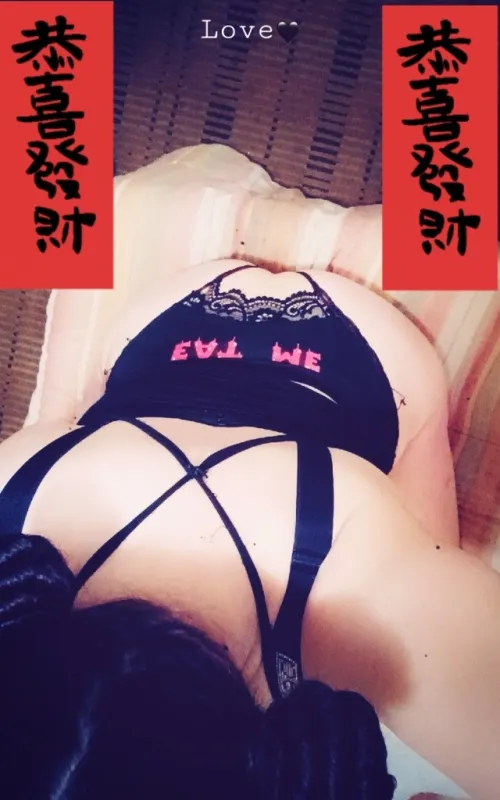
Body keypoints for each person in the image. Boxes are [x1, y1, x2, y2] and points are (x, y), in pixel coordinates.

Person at [0, 259, 498, 799]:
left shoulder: (353, 600)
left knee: (426, 546)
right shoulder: (13, 530)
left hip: (361, 357)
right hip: (155, 326)